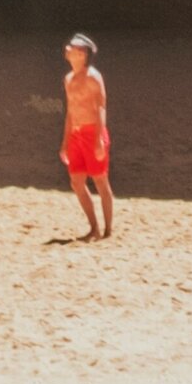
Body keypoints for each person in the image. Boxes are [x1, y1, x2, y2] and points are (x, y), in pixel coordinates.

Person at [60, 32, 113, 241]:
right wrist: (65, 141)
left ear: (81, 54)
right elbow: (70, 112)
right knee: (77, 181)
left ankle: (107, 230)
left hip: (92, 132)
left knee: (100, 181)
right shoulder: (68, 79)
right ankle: (94, 227)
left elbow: (101, 107)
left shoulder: (93, 76)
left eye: (72, 47)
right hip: (76, 134)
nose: (67, 49)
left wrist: (99, 137)